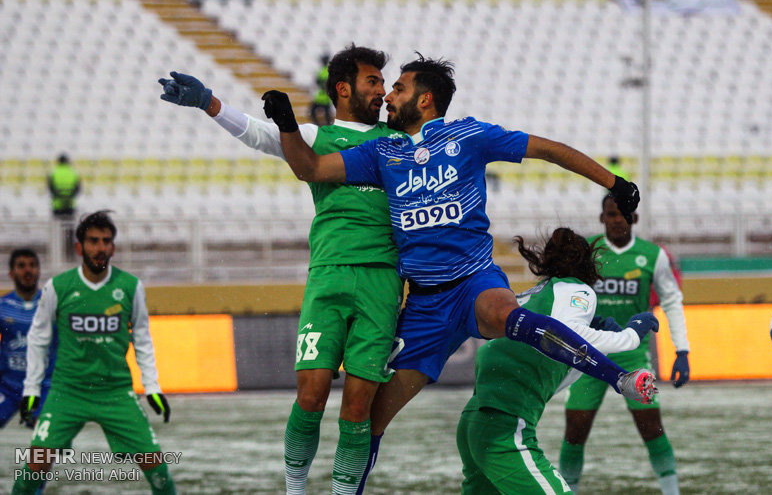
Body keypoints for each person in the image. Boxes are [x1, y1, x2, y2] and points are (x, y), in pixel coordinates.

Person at [264, 54, 655, 486]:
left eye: (398, 89)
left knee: (512, 318)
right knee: (368, 418)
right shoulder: (382, 151)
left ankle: (620, 379)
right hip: (425, 305)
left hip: (473, 282)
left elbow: (547, 149)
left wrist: (614, 183)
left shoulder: (469, 135)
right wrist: (286, 124)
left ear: (426, 100)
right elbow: (312, 168)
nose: (387, 98)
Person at [158, 45, 405, 494]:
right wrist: (207, 102)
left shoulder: (402, 142)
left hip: (383, 281)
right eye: (374, 82)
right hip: (328, 277)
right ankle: (294, 489)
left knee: (357, 408)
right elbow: (257, 133)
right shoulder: (315, 138)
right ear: (344, 88)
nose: (382, 92)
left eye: (384, 84)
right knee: (310, 396)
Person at [457, 228, 660, 494]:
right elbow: (565, 336)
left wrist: (603, 335)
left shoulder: (532, 296)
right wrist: (631, 337)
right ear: (589, 264)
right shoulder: (578, 289)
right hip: (504, 427)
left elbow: (553, 349)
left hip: (474, 420)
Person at [11, 211, 175, 494]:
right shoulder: (58, 287)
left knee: (157, 469)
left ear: (113, 247)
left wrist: (152, 387)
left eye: (106, 241)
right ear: (79, 247)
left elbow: (143, 338)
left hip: (115, 392)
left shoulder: (130, 287)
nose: (100, 248)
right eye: (93, 241)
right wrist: (31, 390)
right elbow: (38, 338)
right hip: (67, 392)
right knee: (34, 467)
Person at [559, 195, 691, 495]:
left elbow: (671, 300)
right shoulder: (588, 252)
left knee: (651, 427)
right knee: (575, 431)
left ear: (634, 219)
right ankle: (568, 490)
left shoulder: (652, 255)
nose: (617, 219)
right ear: (602, 218)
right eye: (611, 214)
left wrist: (682, 350)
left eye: (623, 214)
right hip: (588, 353)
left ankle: (671, 491)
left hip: (633, 354)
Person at [0, 249, 55, 429]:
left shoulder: (52, 306)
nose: (28, 270)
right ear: (11, 273)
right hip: (8, 387)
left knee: (47, 441)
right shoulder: (3, 307)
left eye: (32, 265)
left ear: (39, 271)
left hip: (44, 388)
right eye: (21, 266)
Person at [47, 153, 81, 259]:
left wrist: (60, 198)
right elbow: (77, 189)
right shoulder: (74, 173)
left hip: (57, 206)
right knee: (70, 230)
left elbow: (51, 189)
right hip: (70, 205)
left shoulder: (53, 173)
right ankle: (70, 253)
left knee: (57, 230)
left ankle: (58, 254)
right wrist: (68, 198)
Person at [310, 53, 333, 126]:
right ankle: (321, 125)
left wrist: (322, 83)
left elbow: (325, 82)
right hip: (321, 96)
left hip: (325, 96)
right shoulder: (322, 70)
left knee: (323, 113)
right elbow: (318, 81)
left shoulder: (327, 70)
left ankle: (324, 126)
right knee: (316, 112)